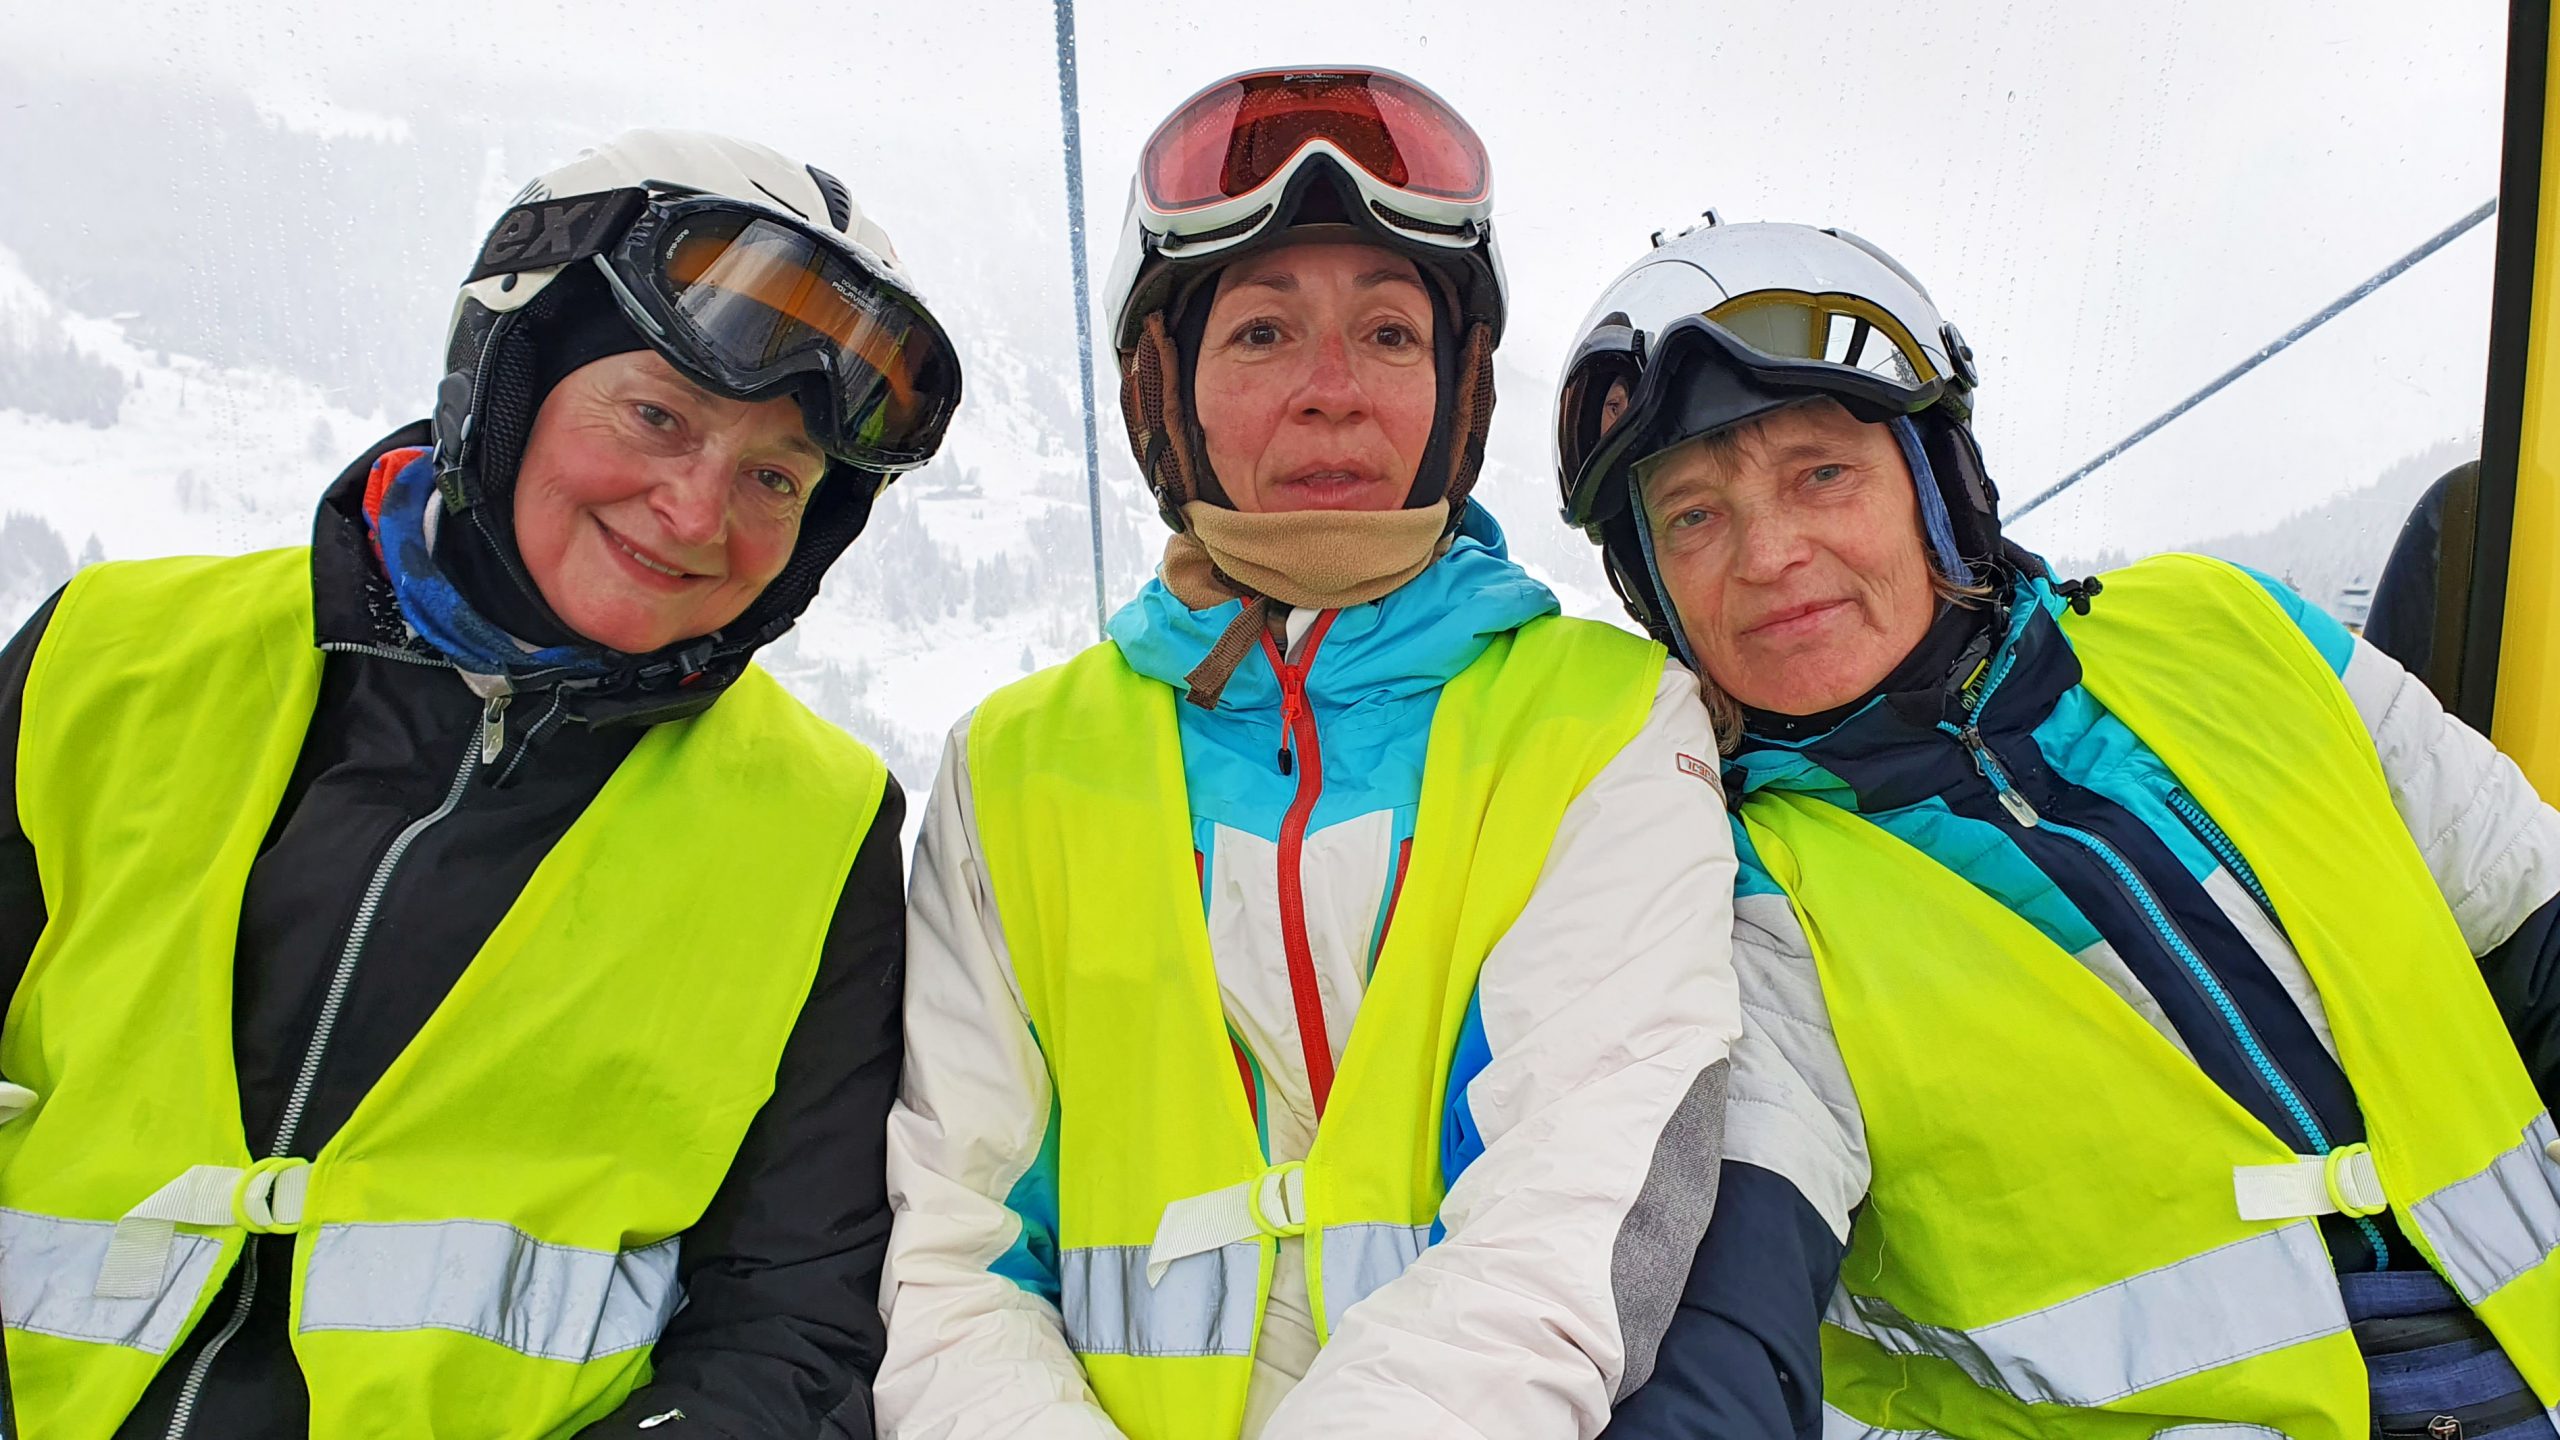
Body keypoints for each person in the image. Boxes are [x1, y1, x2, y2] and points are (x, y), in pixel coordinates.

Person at [0, 129, 964, 1438]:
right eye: (656, 416)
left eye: (773, 478)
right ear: (509, 384)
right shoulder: (113, 659)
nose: (696, 513)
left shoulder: (816, 824)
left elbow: (793, 1322)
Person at [1558, 218, 2560, 1439]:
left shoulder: (2229, 632)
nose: (1767, 554)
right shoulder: (1729, 881)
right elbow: (1722, 1295)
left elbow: (2534, 919)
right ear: (1652, 588)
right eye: (1692, 518)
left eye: (1821, 474)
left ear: (1938, 487)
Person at [877, 67, 1738, 1440]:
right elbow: (948, 1249)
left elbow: (1571, 1208)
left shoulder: (1605, 721)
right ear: (1167, 391)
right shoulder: (1016, 768)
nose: (1331, 393)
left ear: (1457, 392)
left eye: (1389, 334)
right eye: (1263, 332)